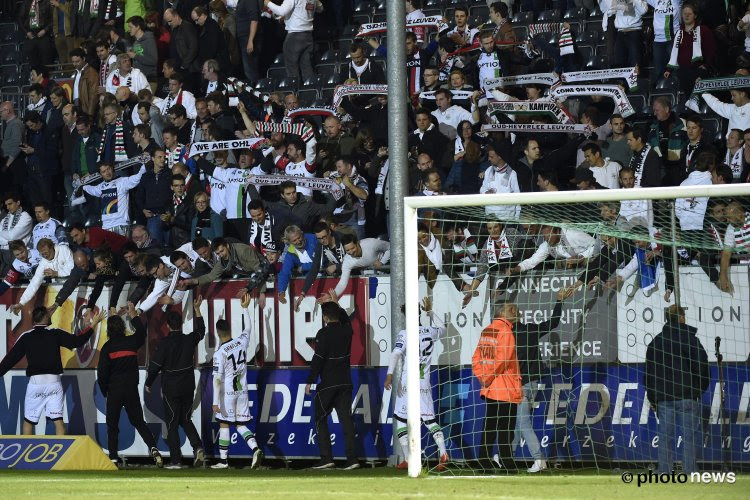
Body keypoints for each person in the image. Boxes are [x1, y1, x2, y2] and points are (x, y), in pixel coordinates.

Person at [0, 307, 104, 435]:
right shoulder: (55, 333)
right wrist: (93, 324)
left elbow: (10, 360)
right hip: (54, 385)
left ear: (34, 320)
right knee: (58, 421)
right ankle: (61, 455)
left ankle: (27, 453)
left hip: (36, 385)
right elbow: (77, 342)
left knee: (28, 421)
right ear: (46, 318)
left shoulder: (26, 336)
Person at [385, 298, 448, 471]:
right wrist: (431, 312)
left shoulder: (405, 333)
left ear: (406, 316)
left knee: (400, 420)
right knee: (429, 419)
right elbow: (443, 328)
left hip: (406, 383)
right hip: (423, 381)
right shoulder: (429, 331)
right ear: (419, 314)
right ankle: (443, 454)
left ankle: (408, 457)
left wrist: (389, 374)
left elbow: (395, 354)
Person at [645, 304, 709, 474]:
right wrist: (697, 391)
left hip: (665, 399)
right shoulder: (690, 339)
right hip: (687, 396)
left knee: (665, 437)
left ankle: (664, 472)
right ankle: (690, 471)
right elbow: (702, 367)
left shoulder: (655, 343)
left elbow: (648, 375)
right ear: (681, 318)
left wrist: (653, 399)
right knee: (690, 437)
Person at [98, 302, 164, 467]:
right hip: (130, 390)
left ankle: (113, 458)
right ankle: (153, 447)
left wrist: (105, 391)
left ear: (108, 330)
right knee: (139, 422)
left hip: (114, 390)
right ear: (122, 327)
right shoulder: (132, 342)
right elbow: (141, 332)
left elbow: (102, 374)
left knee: (112, 425)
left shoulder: (107, 347)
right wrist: (133, 315)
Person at [145, 295, 206, 469]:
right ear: (180, 324)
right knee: (186, 419)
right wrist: (197, 310)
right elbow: (201, 331)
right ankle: (198, 447)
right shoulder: (189, 339)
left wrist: (148, 383)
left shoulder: (164, 344)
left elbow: (155, 366)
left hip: (171, 388)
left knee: (172, 424)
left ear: (167, 326)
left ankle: (176, 461)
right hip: (188, 386)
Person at [210, 293, 263, 469]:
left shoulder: (219, 353)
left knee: (224, 423)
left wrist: (215, 402)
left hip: (228, 393)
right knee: (241, 424)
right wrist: (245, 309)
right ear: (230, 330)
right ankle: (255, 449)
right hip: (242, 392)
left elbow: (217, 379)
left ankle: (224, 461)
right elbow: (248, 328)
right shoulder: (241, 342)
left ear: (218, 333)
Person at [305, 300, 359, 470]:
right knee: (346, 420)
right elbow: (347, 321)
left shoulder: (323, 334)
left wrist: (310, 381)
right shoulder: (347, 331)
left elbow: (318, 359)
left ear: (325, 317)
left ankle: (326, 457)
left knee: (320, 417)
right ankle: (352, 459)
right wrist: (338, 305)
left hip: (328, 384)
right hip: (345, 382)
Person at [472, 301, 522, 473]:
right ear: (509, 312)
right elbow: (503, 360)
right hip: (505, 388)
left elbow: (476, 358)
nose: (518, 314)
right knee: (506, 429)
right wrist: (488, 376)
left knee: (490, 427)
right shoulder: (506, 331)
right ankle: (508, 464)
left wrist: (483, 377)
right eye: (515, 311)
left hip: (489, 387)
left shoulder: (487, 330)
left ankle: (484, 461)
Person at [264, 0, 323, 83]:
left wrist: (268, 3)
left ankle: (294, 92)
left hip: (294, 36)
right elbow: (320, 8)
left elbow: (282, 11)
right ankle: (310, 92)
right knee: (307, 67)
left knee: (292, 68)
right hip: (308, 36)